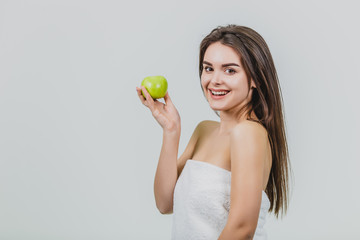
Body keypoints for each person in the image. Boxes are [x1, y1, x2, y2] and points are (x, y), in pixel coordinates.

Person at [136, 24, 291, 240]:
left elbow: (241, 228)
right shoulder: (204, 130)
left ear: (255, 78)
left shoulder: (248, 133)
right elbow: (164, 203)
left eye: (230, 70)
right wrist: (171, 130)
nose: (214, 80)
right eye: (208, 68)